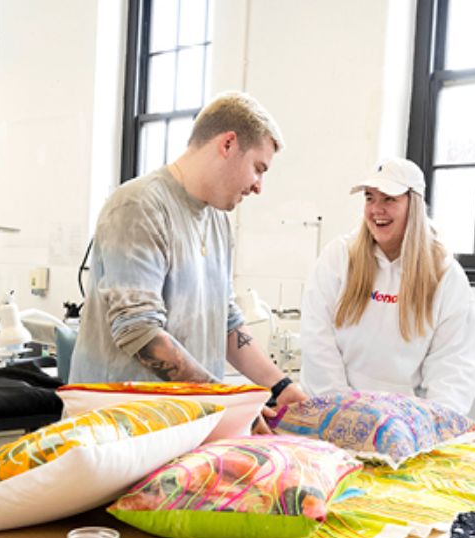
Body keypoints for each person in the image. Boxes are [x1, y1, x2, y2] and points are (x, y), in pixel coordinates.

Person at [70, 91, 307, 409]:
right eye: (258, 168)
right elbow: (139, 331)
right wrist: (225, 400)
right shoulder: (139, 205)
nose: (258, 186)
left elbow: (227, 321)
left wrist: (280, 386)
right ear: (228, 145)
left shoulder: (219, 222)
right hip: (116, 426)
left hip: (183, 419)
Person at [300, 157, 475, 414]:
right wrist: (343, 411)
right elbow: (317, 340)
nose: (376, 210)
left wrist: (433, 424)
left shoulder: (445, 275)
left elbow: (452, 366)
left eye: (389, 199)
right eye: (370, 198)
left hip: (406, 422)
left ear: (413, 204)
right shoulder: (338, 257)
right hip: (334, 412)